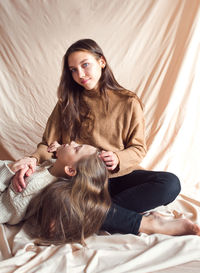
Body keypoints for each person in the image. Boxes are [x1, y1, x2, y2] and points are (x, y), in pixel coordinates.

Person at [12, 39, 200, 237]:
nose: (80, 74)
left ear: (101, 62)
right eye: (73, 70)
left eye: (85, 65)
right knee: (54, 201)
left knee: (170, 184)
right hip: (80, 181)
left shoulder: (128, 102)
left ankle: (82, 215)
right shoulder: (66, 104)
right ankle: (148, 223)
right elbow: (47, 144)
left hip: (117, 178)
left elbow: (137, 149)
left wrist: (118, 158)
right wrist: (33, 158)